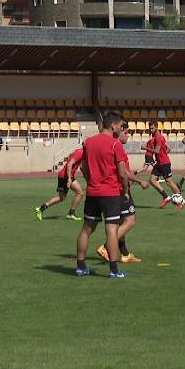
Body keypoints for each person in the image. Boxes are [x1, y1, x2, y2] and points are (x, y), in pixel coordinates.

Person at [74, 112, 129, 278]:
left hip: (92, 192)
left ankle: (81, 266)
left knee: (86, 229)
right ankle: (113, 270)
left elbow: (83, 167)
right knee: (112, 229)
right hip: (111, 192)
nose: (121, 129)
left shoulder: (88, 142)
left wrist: (91, 181)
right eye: (120, 126)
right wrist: (125, 190)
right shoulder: (115, 144)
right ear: (113, 126)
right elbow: (122, 172)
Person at [97, 123, 150, 264]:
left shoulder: (111, 146)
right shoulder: (117, 146)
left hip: (113, 190)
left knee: (122, 222)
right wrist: (140, 181)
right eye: (126, 132)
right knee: (130, 221)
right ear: (118, 132)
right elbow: (124, 173)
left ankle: (125, 253)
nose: (128, 135)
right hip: (121, 190)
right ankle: (106, 247)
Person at [34, 146, 85, 221]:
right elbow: (69, 164)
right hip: (66, 176)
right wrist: (69, 178)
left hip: (64, 175)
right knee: (80, 193)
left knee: (62, 198)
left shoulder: (81, 152)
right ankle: (71, 214)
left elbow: (80, 165)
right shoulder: (80, 152)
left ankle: (41, 209)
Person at [143, 120, 184, 209]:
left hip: (164, 163)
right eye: (149, 128)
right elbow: (168, 148)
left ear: (156, 127)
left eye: (152, 128)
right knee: (152, 180)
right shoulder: (158, 137)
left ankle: (181, 200)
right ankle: (166, 196)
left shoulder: (158, 137)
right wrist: (163, 154)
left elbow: (157, 151)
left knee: (169, 182)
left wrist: (145, 148)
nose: (150, 130)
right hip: (160, 163)